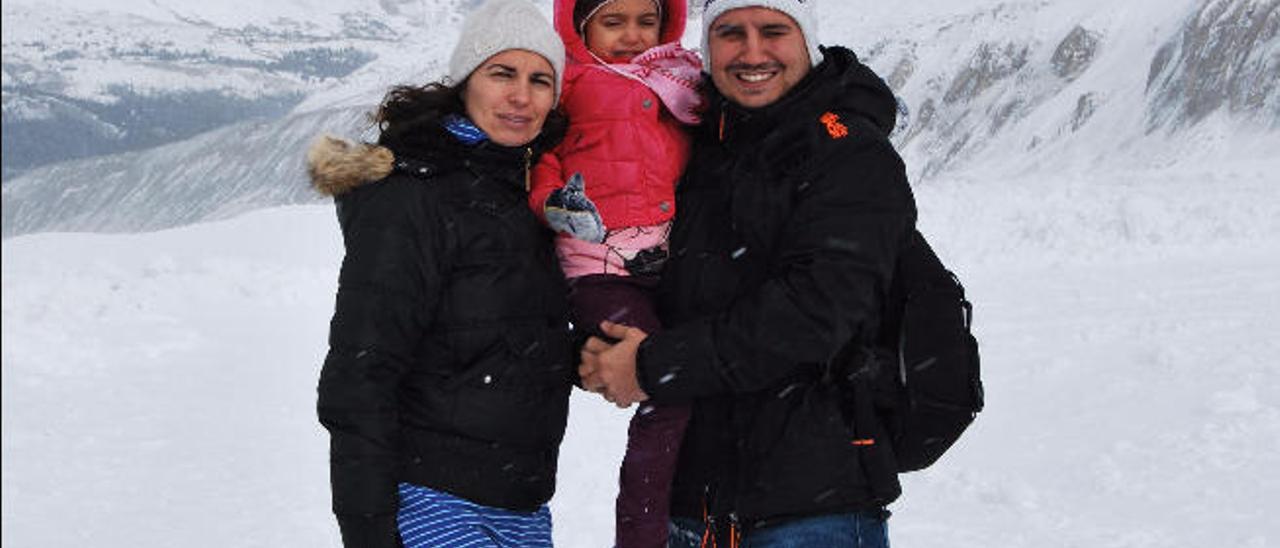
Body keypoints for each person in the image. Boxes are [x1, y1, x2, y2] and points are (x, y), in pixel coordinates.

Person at [579, 0, 917, 546]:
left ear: (806, 41)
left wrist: (651, 365)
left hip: (810, 512)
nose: (752, 51)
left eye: (773, 30)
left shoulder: (849, 151)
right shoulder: (698, 145)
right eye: (731, 32)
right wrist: (603, 344)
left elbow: (814, 311)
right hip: (693, 509)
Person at [308, 1, 574, 546]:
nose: (522, 96)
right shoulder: (415, 196)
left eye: (540, 80)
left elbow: (507, 339)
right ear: (465, 82)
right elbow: (362, 370)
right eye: (502, 73)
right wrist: (370, 526)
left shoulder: (529, 191)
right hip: (432, 499)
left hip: (521, 503)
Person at [528, 0, 702, 546]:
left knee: (700, 376)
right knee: (667, 387)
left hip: (667, 261)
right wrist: (553, 202)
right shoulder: (573, 84)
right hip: (599, 265)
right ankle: (642, 535)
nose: (632, 35)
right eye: (613, 22)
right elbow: (545, 155)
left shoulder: (682, 80)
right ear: (581, 28)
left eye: (645, 21)